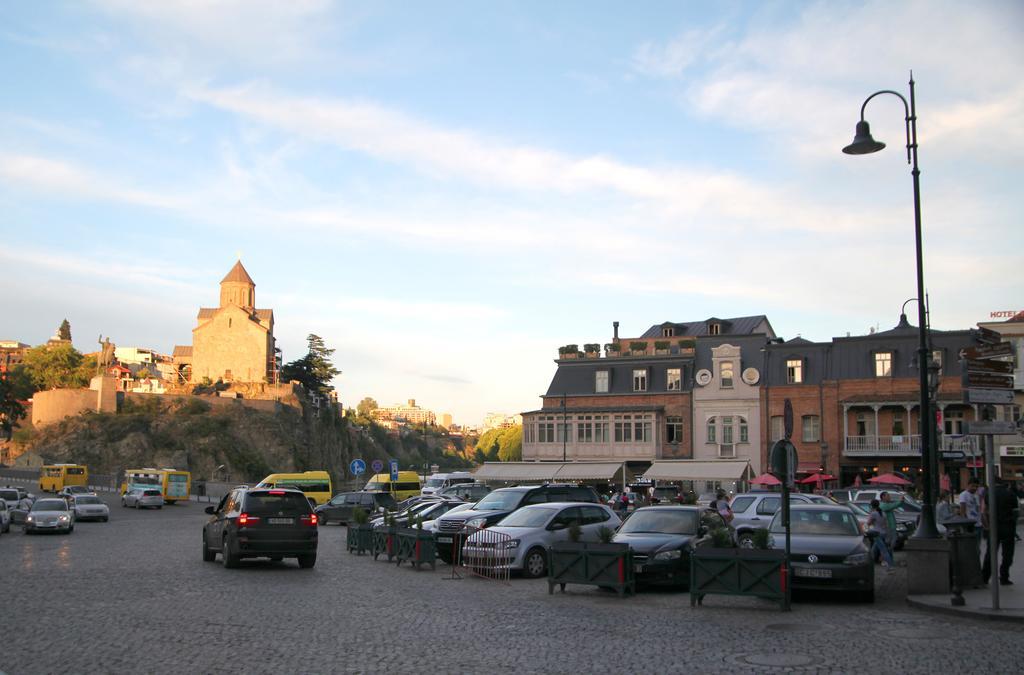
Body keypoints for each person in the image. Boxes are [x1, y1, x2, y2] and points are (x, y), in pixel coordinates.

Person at [982, 478, 1019, 586]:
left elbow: (985, 511)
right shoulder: (1010, 494)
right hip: (1008, 526)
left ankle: (985, 577)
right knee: (1007, 553)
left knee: (990, 552)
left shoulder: (988, 494)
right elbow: (1015, 511)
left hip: (994, 527)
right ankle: (1004, 576)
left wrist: (987, 525)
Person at [866, 499, 895, 570]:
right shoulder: (883, 512)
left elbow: (868, 523)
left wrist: (871, 516)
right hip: (883, 532)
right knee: (873, 549)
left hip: (876, 533)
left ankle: (890, 565)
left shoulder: (874, 513)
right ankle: (869, 564)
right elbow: (885, 524)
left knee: (883, 550)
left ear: (872, 506)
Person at [958, 480, 983, 549]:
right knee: (971, 546)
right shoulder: (963, 495)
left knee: (977, 546)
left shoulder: (976, 495)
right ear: (968, 485)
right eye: (973, 486)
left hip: (978, 523)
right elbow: (962, 509)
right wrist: (964, 523)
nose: (974, 488)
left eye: (976, 486)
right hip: (970, 524)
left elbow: (978, 509)